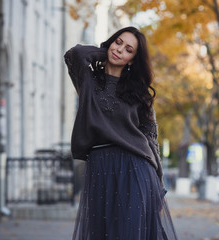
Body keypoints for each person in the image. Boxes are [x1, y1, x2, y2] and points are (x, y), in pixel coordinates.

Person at [64, 26, 178, 240]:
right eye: (118, 42)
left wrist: (159, 182)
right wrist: (106, 51)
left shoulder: (139, 93)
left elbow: (151, 140)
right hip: (100, 168)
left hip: (135, 169)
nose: (119, 50)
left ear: (133, 60)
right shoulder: (88, 80)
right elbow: (74, 54)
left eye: (128, 50)